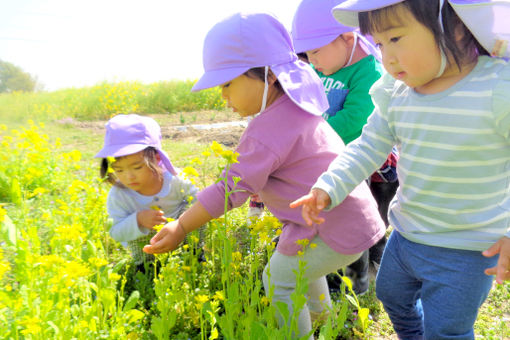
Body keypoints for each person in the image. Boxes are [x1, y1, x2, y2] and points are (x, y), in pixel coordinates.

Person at [143, 12, 385, 339]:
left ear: (269, 75)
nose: (224, 96)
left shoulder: (269, 127)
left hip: (334, 226)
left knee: (279, 280)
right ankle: (324, 322)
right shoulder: (296, 106)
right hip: (342, 219)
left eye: (228, 84)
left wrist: (182, 224)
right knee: (297, 269)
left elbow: (232, 189)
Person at [291, 0, 510, 338]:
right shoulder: (396, 93)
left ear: (453, 24)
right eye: (378, 43)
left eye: (394, 39)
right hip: (406, 235)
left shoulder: (497, 88)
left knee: (447, 329)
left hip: (469, 248)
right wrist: (329, 185)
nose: (386, 56)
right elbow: (368, 145)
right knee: (391, 295)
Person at [291, 0, 399, 295]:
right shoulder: (327, 66)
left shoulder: (369, 70)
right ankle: (371, 269)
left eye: (315, 51)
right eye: (307, 53)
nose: (312, 61)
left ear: (347, 39)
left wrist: (310, 137)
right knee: (366, 226)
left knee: (357, 224)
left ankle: (354, 286)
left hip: (366, 162)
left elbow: (355, 120)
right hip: (334, 155)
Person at [96, 114, 198, 272]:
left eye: (137, 167)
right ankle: (147, 268)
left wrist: (181, 224)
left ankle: (195, 254)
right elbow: (115, 232)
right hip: (148, 249)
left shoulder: (176, 180)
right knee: (145, 255)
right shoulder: (119, 195)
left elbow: (201, 203)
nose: (129, 177)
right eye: (119, 170)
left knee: (196, 210)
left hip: (182, 235)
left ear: (157, 158)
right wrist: (137, 220)